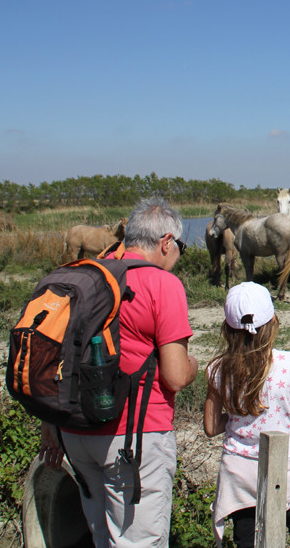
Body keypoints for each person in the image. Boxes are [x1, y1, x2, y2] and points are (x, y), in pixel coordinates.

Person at [40, 195, 200, 547]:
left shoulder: (87, 274)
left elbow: (59, 353)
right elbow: (174, 376)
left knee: (102, 536)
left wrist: (49, 424)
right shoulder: (162, 284)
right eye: (180, 248)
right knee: (137, 541)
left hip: (75, 431)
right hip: (133, 437)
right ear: (166, 242)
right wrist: (193, 366)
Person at [204, 281, 290, 548]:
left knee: (246, 535)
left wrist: (238, 415)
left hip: (238, 467)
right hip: (282, 464)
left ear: (227, 328)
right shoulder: (289, 364)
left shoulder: (217, 369)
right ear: (273, 321)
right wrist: (289, 403)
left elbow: (211, 426)